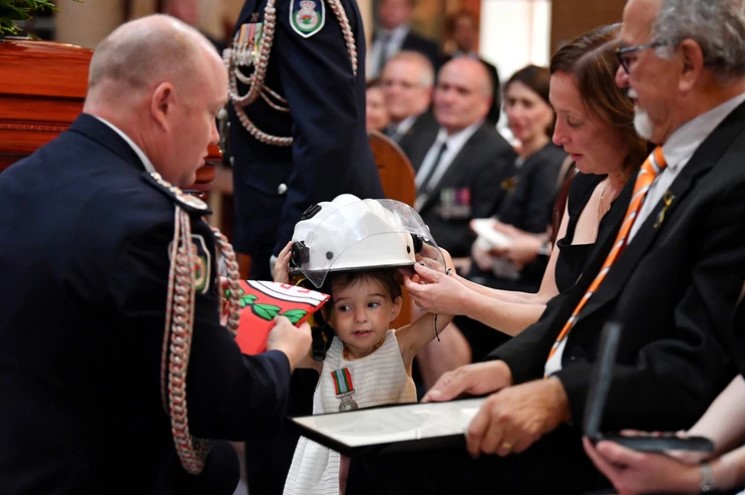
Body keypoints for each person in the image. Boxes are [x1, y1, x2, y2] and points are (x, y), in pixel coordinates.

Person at [345, 0, 745, 488]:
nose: (623, 80)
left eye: (631, 58)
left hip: (623, 424)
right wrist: (508, 365)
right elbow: (584, 301)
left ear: (687, 64)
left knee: (388, 461)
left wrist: (557, 396)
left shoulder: (729, 171)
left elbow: (698, 356)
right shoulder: (676, 157)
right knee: (369, 443)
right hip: (579, 394)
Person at [0, 15, 311, 495]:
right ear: (164, 103)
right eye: (211, 113)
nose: (212, 139)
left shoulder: (13, 184)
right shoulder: (158, 226)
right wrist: (283, 356)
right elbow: (225, 404)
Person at [409, 24, 648, 384]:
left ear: (622, 116)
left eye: (574, 120)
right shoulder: (582, 184)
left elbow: (585, 320)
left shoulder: (650, 191)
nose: (557, 136)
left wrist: (461, 298)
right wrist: (453, 283)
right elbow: (547, 302)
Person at [272, 195, 454, 495]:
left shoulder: (402, 345)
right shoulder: (321, 354)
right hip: (331, 479)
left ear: (395, 307)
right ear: (328, 315)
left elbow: (447, 308)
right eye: (345, 308)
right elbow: (283, 336)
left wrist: (436, 258)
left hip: (386, 474)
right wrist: (282, 289)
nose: (360, 318)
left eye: (373, 304)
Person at [415, 63, 569, 388]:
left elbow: (544, 242)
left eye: (528, 104)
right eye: (511, 103)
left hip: (526, 283)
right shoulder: (522, 159)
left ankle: (443, 407)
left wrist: (521, 244)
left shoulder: (549, 162)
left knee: (433, 314)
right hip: (497, 270)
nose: (516, 113)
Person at [225, 0, 383, 281]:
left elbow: (327, 134)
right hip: (276, 205)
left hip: (310, 222)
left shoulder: (302, 5)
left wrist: (294, 243)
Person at [409, 56, 516, 261]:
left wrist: (409, 242)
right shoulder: (419, 136)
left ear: (486, 103)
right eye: (444, 87)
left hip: (447, 263)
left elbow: (476, 227)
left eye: (462, 91)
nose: (448, 99)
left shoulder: (496, 153)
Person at [444, 10, 501, 125]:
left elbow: (495, 106)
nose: (466, 35)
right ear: (452, 33)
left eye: (471, 29)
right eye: (461, 29)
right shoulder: (440, 63)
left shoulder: (489, 68)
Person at [367, 0, 442, 80]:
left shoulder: (426, 47)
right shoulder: (367, 39)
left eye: (397, 6)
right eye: (387, 5)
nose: (391, 10)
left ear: (410, 11)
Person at [380, 50, 438, 150]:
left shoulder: (435, 138)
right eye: (388, 83)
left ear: (428, 93)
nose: (394, 91)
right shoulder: (380, 133)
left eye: (406, 85)